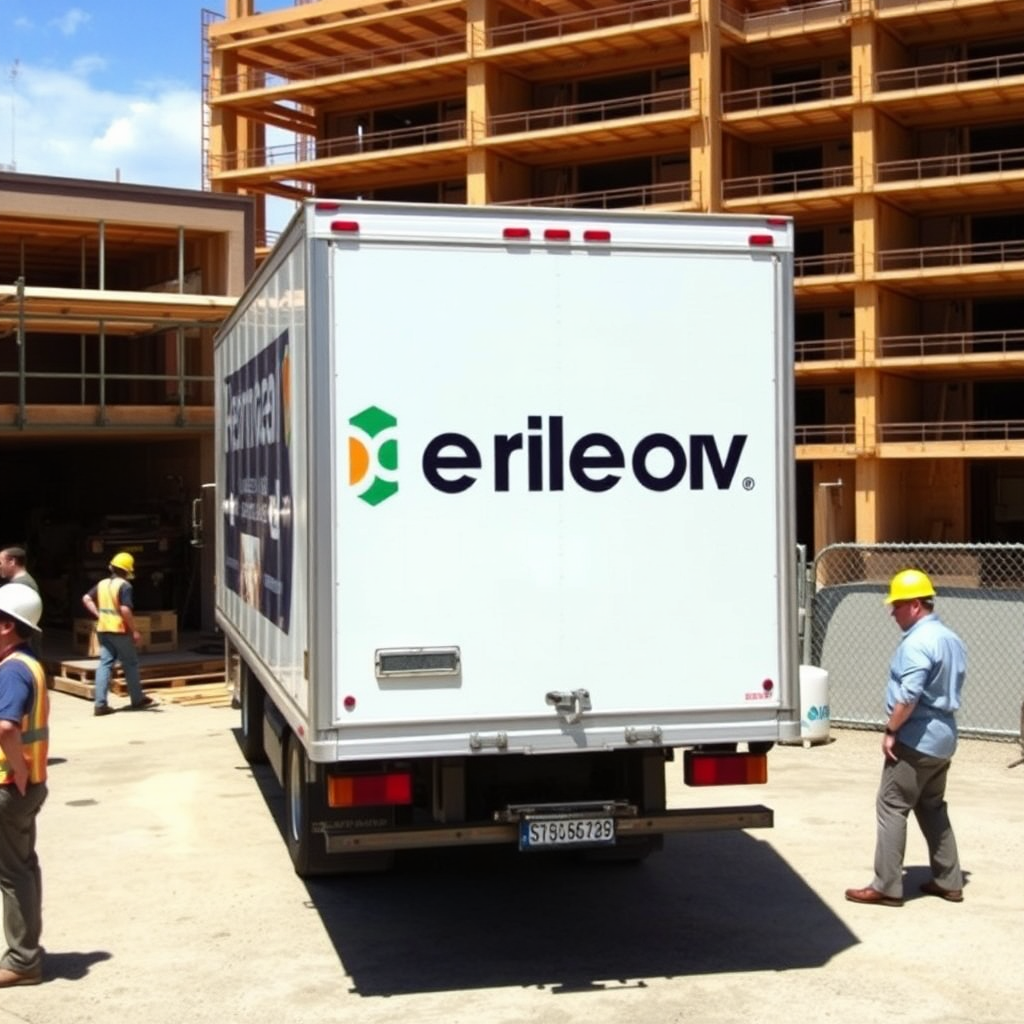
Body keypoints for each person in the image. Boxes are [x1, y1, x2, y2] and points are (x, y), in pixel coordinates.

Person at [845, 568, 966, 908]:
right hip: (944, 738)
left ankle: (886, 885)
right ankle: (949, 880)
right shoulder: (950, 638)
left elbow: (908, 696)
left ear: (914, 605)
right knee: (932, 807)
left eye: (896, 605)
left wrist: (891, 731)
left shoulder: (917, 643)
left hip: (916, 738)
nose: (891, 612)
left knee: (892, 805)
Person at [0, 582, 48, 986]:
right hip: (27, 784)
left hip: (9, 786)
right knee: (24, 868)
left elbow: (6, 727)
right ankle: (27, 948)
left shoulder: (13, 671)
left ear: (6, 627)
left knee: (12, 874)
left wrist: (16, 772)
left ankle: (22, 960)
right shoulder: (27, 661)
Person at [81, 552, 156, 717]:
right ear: (128, 570)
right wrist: (134, 630)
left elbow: (86, 598)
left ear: (111, 567)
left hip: (103, 628)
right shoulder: (125, 586)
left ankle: (100, 704)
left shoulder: (102, 584)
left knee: (105, 664)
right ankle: (137, 699)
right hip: (120, 630)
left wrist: (99, 615)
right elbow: (124, 609)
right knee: (130, 663)